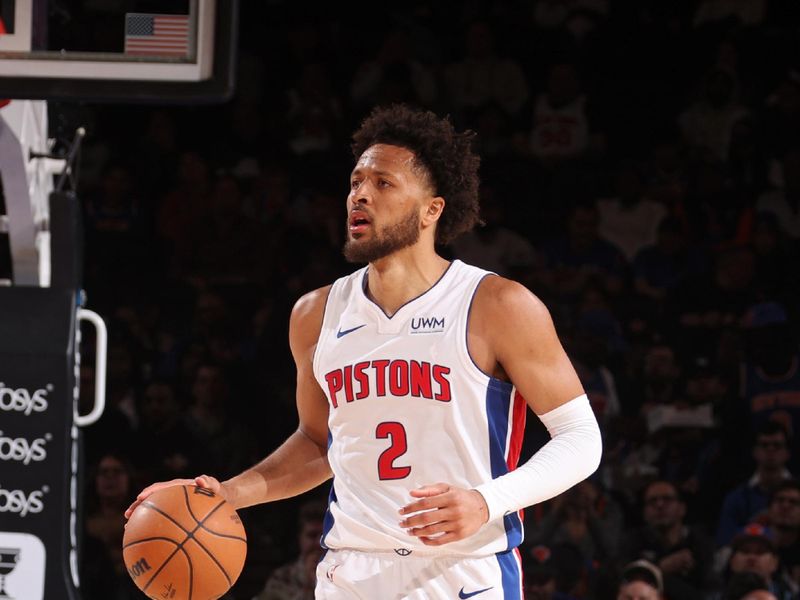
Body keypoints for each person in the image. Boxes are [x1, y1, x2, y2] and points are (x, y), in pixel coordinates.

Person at [126, 104, 602, 598]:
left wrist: (487, 501)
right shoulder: (315, 314)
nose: (360, 196)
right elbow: (317, 443)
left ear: (432, 210)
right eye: (355, 182)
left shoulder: (496, 304)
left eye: (383, 183)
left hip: (461, 571)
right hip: (351, 571)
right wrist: (225, 494)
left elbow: (580, 439)